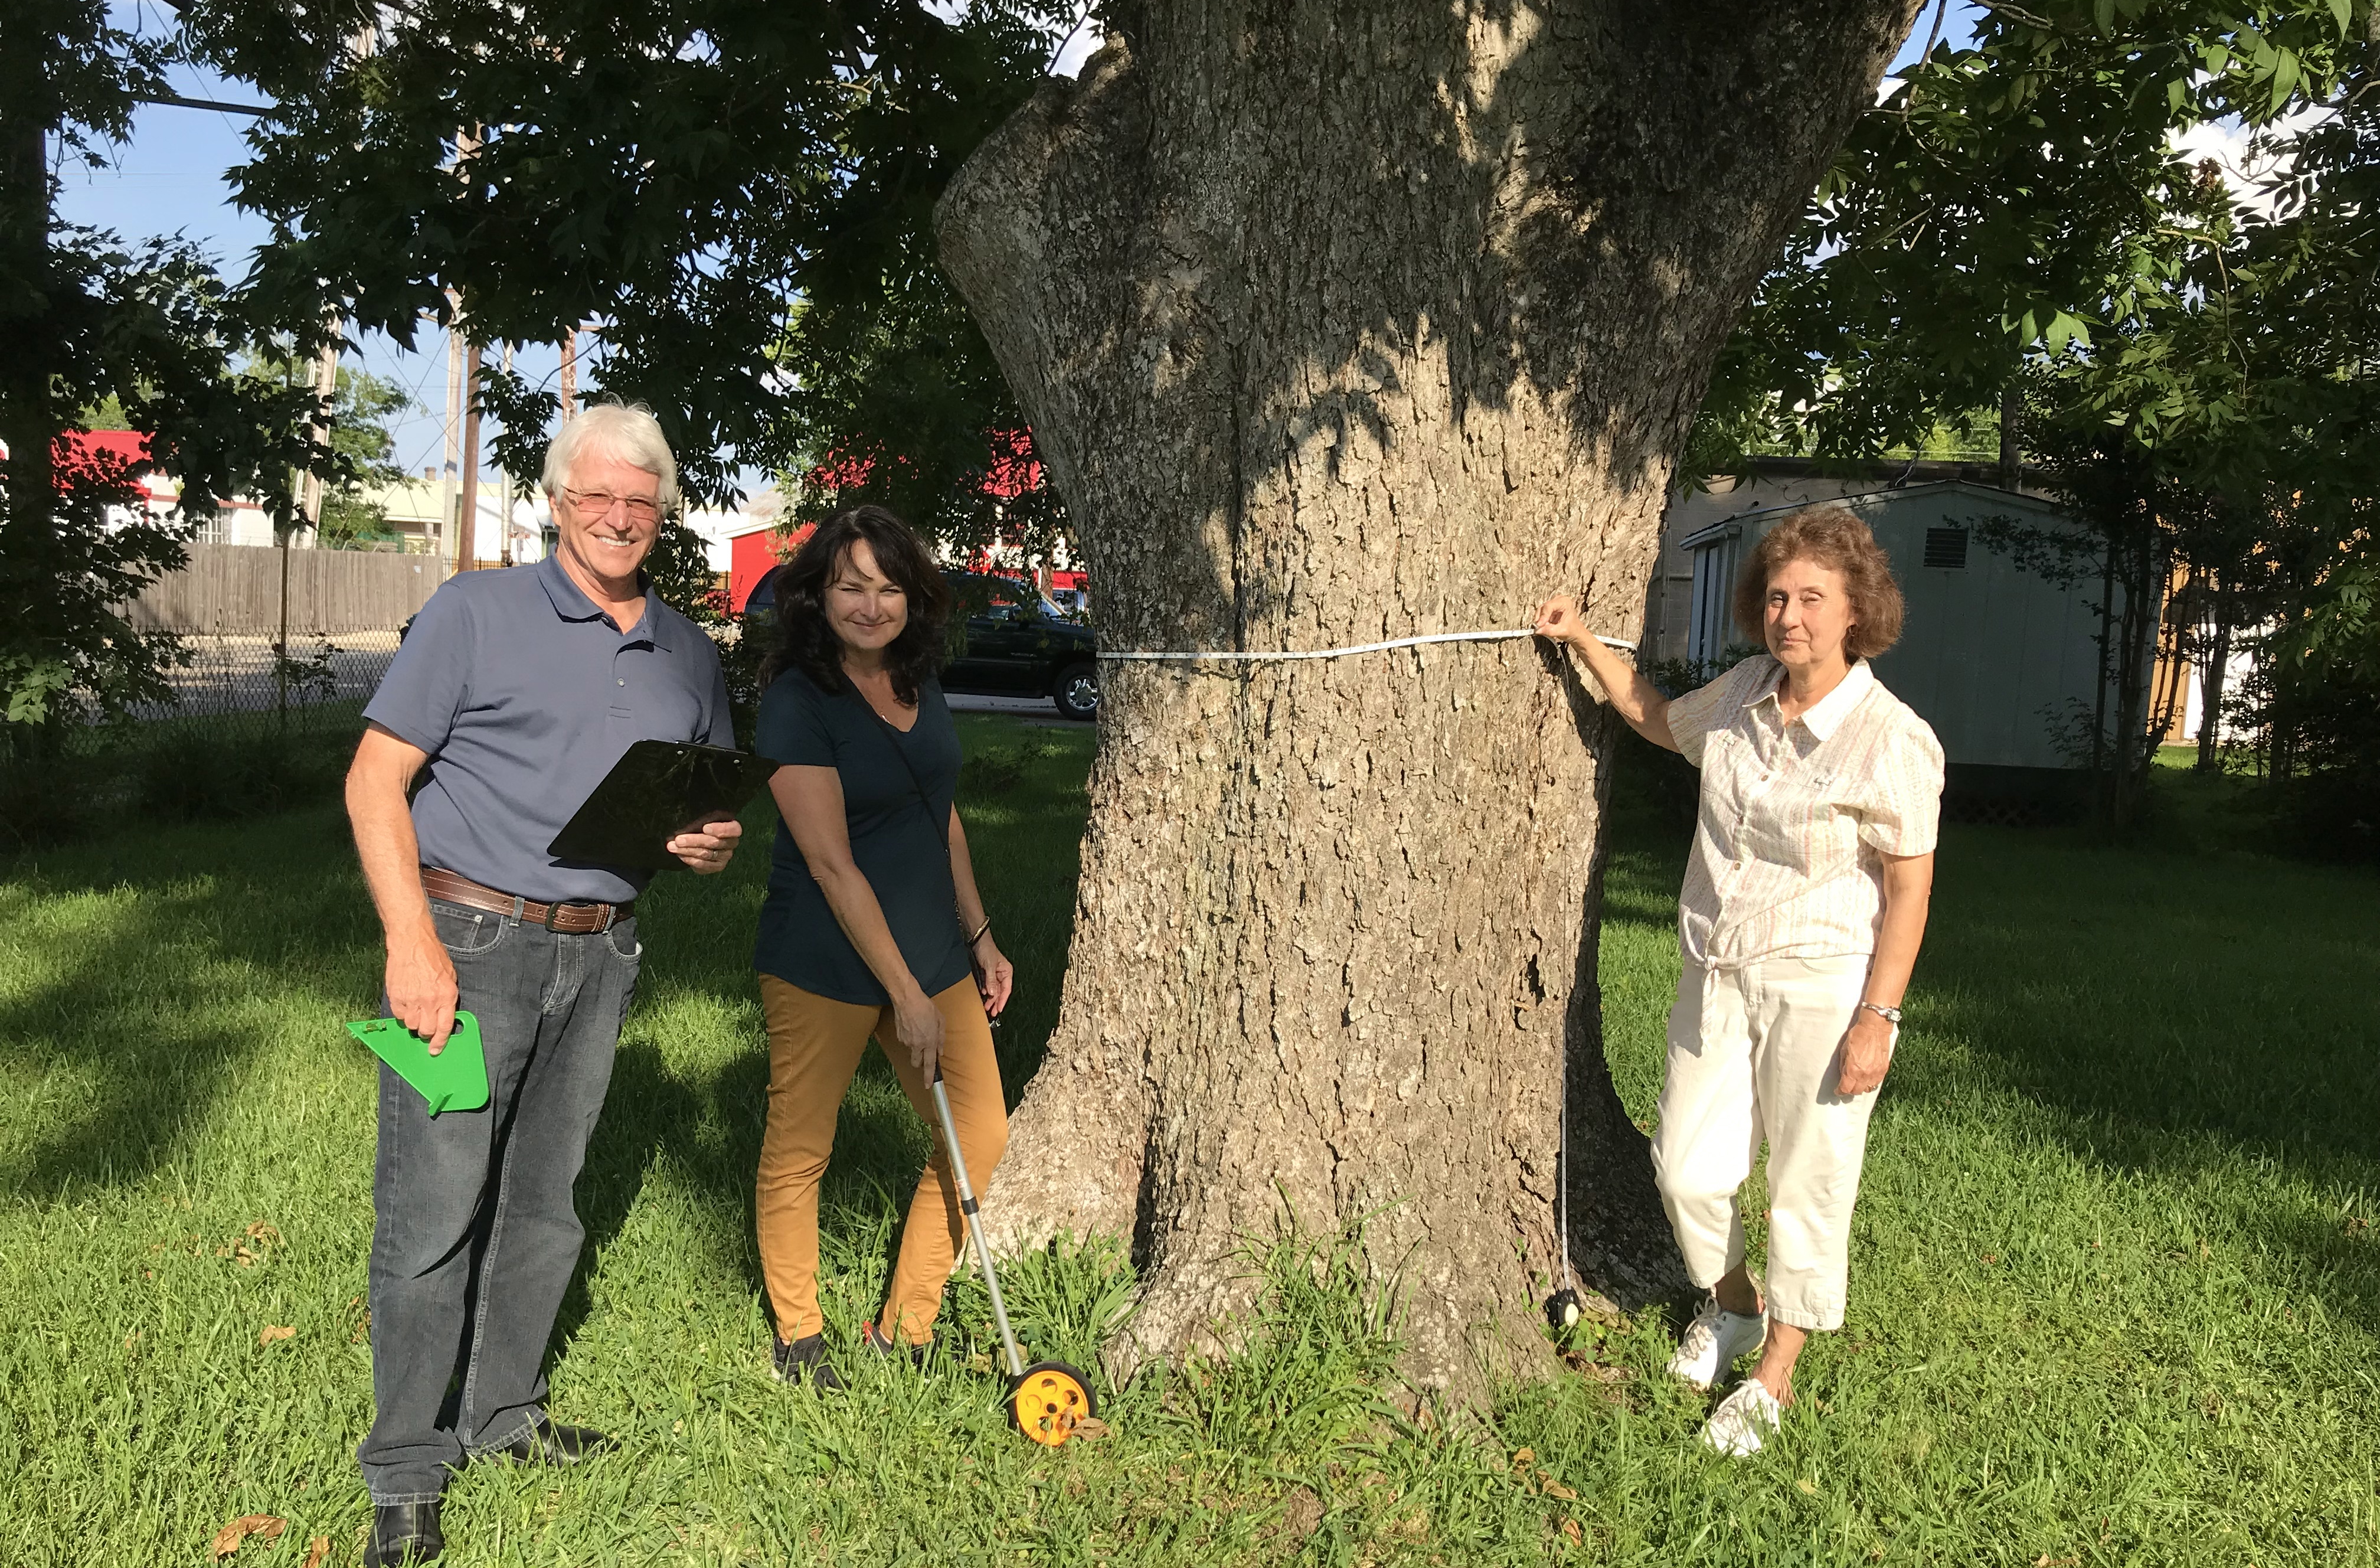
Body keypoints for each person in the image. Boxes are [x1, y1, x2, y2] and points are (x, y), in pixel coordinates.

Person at [344, 403, 743, 1565]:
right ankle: (406, 1468)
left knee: (543, 1204)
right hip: (465, 945)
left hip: (605, 950)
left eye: (640, 501)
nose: (619, 517)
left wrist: (705, 840)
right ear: (557, 501)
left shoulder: (687, 651)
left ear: (659, 513)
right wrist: (409, 939)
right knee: (431, 1214)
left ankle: (502, 1414)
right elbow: (376, 784)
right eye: (596, 496)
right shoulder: (476, 613)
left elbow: (698, 806)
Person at [1535, 504, 1942, 1458]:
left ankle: (1773, 1379)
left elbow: (1910, 887)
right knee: (1686, 1167)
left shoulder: (1891, 737)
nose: (1787, 615)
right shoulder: (1746, 692)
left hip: (1823, 982)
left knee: (1809, 1181)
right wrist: (1583, 638)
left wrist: (1879, 1014)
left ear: (1857, 615)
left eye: (1811, 600)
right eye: (1775, 596)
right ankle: (1735, 1305)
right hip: (1715, 969)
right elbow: (1655, 719)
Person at [748, 505, 1014, 1390]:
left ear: (915, 598)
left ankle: (907, 1323)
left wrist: (979, 936)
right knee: (802, 1147)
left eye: (888, 587)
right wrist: (902, 993)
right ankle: (799, 1334)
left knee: (978, 1131)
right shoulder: (794, 701)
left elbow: (940, 818)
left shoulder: (918, 681)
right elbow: (831, 864)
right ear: (817, 597)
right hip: (824, 960)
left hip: (933, 953)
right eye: (850, 586)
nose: (870, 605)